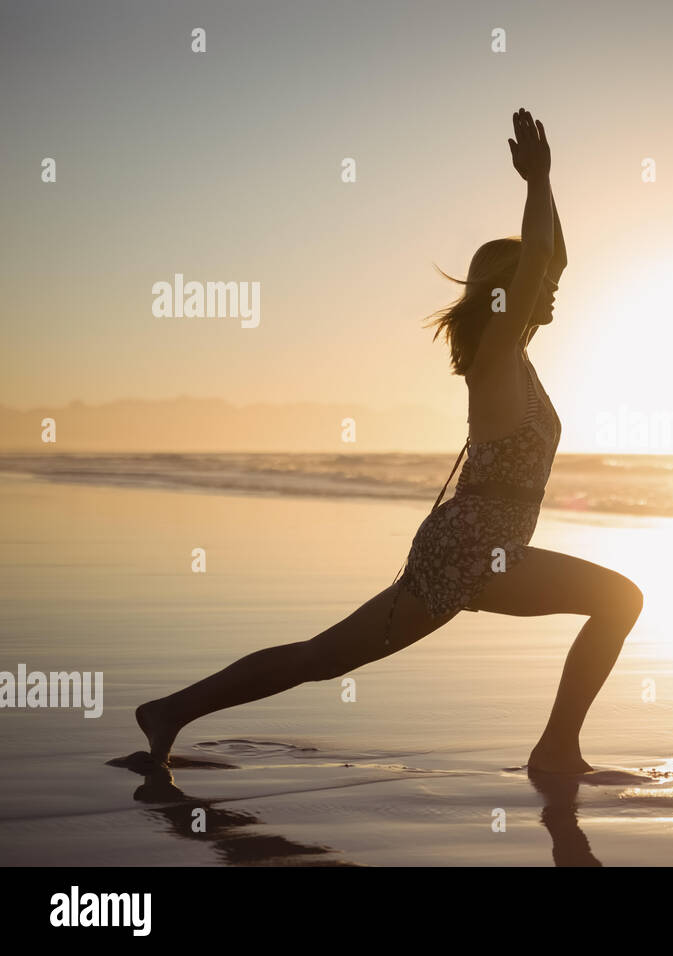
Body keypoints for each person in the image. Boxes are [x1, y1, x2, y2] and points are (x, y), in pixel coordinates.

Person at [133, 108, 642, 775]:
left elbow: (555, 256)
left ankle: (169, 711)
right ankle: (554, 752)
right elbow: (542, 256)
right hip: (471, 548)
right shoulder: (494, 354)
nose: (551, 292)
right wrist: (537, 183)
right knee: (325, 658)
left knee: (323, 657)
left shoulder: (515, 357)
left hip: (486, 548)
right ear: (503, 295)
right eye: (535, 285)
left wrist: (549, 190)